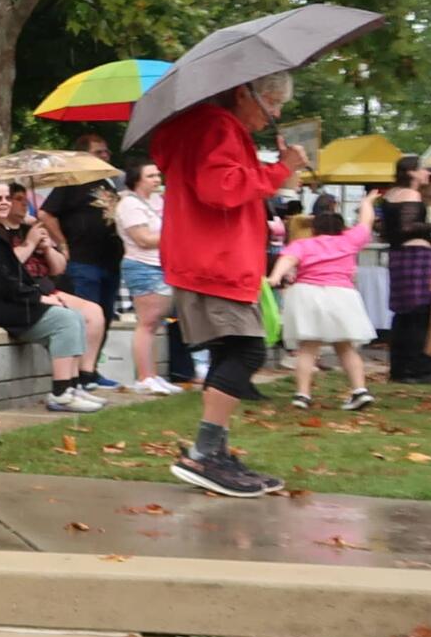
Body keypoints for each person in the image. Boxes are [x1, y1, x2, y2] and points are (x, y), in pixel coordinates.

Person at [149, 71, 309, 497]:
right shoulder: (215, 125)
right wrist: (280, 170)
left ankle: (213, 452)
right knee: (246, 349)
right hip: (215, 260)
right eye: (272, 103)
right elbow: (220, 189)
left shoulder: (209, 127)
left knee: (230, 351)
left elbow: (225, 184)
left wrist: (272, 170)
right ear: (243, 92)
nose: (275, 114)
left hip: (211, 258)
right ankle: (204, 454)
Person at [0, 180, 110, 413]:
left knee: (74, 316)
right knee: (64, 320)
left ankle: (72, 387)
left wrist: (39, 293)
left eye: (7, 198)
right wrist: (38, 298)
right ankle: (61, 393)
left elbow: (12, 277)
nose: (4, 203)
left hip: (3, 300)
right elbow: (0, 281)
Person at [271, 199, 378, 412]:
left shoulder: (303, 244)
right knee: (345, 347)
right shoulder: (350, 240)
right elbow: (366, 221)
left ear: (314, 229)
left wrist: (275, 276)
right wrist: (367, 201)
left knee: (308, 347)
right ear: (342, 228)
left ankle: (302, 395)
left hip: (307, 293)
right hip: (342, 294)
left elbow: (288, 259)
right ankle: (360, 390)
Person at [40, 133, 125, 390]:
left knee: (105, 316)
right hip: (82, 260)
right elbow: (46, 213)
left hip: (110, 260)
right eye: (99, 152)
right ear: (83, 155)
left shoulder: (109, 182)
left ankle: (92, 369)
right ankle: (76, 375)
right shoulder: (72, 181)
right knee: (86, 316)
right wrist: (63, 244)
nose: (105, 155)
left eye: (107, 151)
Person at [115, 162, 183, 395]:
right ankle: (145, 377)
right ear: (136, 179)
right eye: (150, 176)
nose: (156, 179)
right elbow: (143, 239)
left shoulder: (156, 201)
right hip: (143, 266)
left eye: (157, 175)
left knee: (155, 323)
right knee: (147, 322)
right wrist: (176, 234)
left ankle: (152, 375)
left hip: (161, 264)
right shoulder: (129, 204)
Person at [383, 156, 431, 382]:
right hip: (416, 256)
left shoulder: (391, 194)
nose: (427, 173)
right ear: (411, 172)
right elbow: (408, 226)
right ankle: (414, 369)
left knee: (403, 313)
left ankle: (400, 368)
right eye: (423, 169)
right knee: (418, 311)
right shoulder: (411, 194)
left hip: (400, 256)